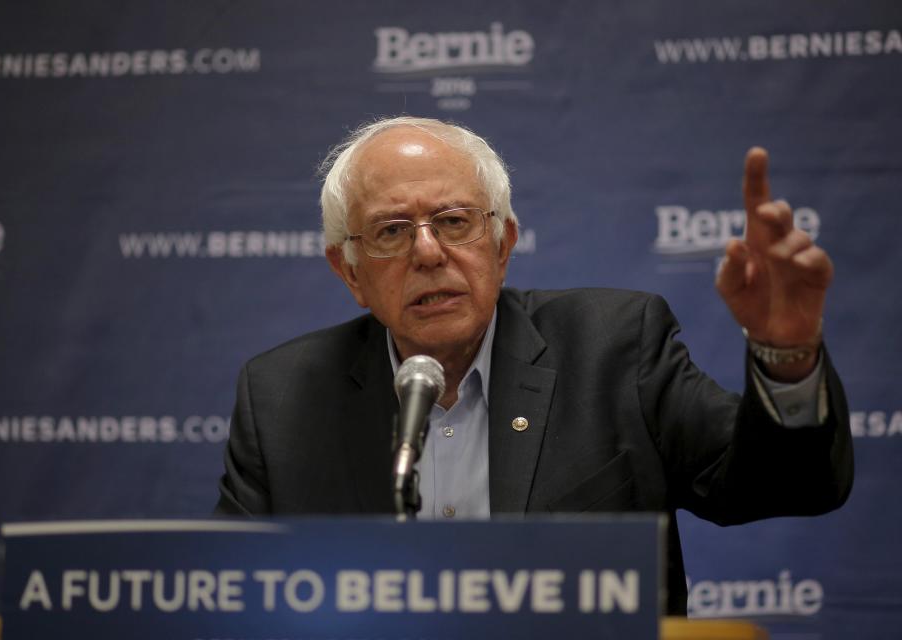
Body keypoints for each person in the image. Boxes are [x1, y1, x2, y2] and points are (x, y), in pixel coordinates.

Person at [215, 116, 853, 614]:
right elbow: (230, 601)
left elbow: (789, 484)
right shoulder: (282, 398)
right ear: (348, 271)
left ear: (503, 245)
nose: (429, 252)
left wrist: (786, 353)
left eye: (454, 221)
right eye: (390, 231)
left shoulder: (614, 348)